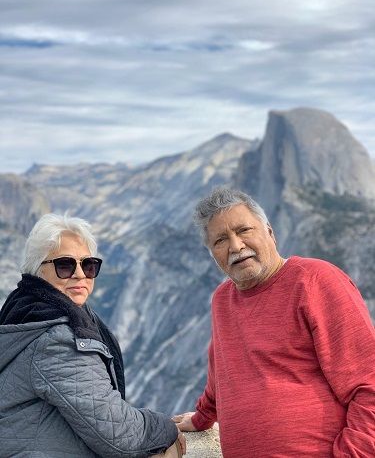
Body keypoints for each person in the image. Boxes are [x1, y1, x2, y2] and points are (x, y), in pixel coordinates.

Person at [173, 186, 375, 457]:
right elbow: (221, 371)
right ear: (213, 254)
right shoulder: (222, 299)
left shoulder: (315, 280)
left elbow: (369, 384)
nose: (236, 246)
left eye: (244, 230)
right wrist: (201, 417)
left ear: (270, 232)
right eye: (220, 240)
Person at [0, 213, 185, 458]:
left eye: (88, 265)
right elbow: (121, 435)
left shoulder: (23, 311)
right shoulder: (56, 340)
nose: (80, 274)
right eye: (65, 265)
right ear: (38, 271)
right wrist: (167, 426)